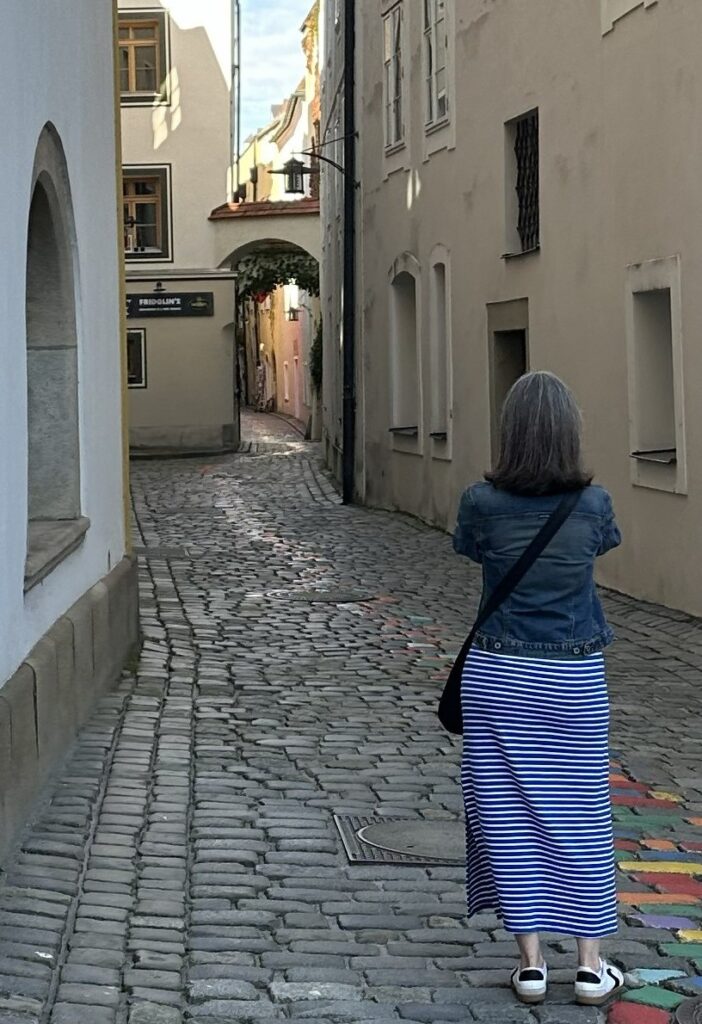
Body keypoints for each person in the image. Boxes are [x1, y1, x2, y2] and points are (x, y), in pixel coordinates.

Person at [453, 370, 623, 1008]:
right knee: (582, 816)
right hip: (573, 675)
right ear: (569, 433)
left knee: (507, 816)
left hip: (497, 675)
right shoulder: (595, 505)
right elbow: (602, 547)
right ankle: (589, 966)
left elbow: (473, 551)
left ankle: (529, 967)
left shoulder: (480, 502)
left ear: (511, 434)